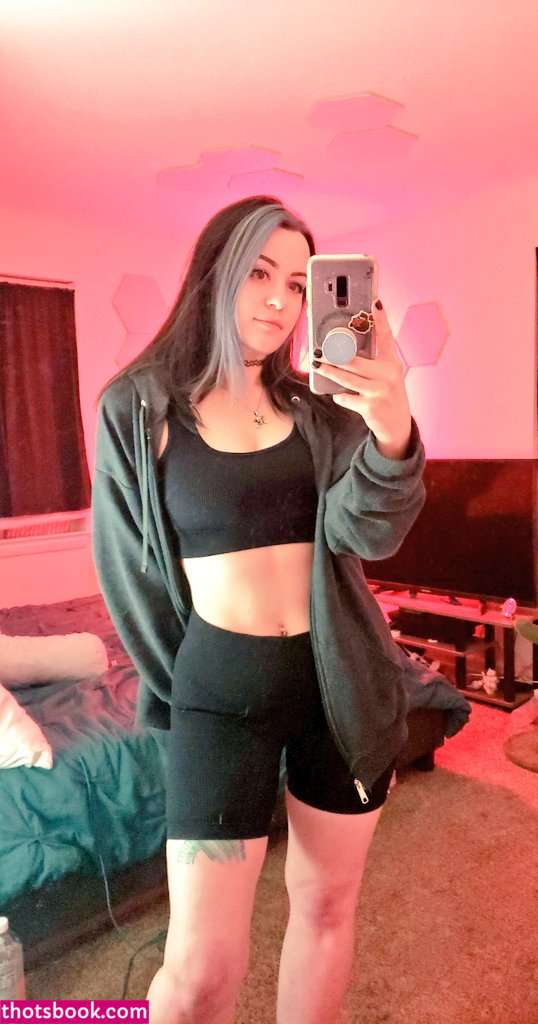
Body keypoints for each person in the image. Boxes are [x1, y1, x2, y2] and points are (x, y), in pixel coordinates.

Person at [92, 196, 426, 1024]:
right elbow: (130, 577)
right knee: (199, 973)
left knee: (326, 906)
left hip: (337, 684)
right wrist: (192, 682)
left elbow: (370, 534)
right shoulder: (139, 407)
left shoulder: (322, 413)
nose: (280, 301)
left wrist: (390, 421)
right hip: (220, 691)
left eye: (298, 284)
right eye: (259, 274)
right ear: (216, 273)